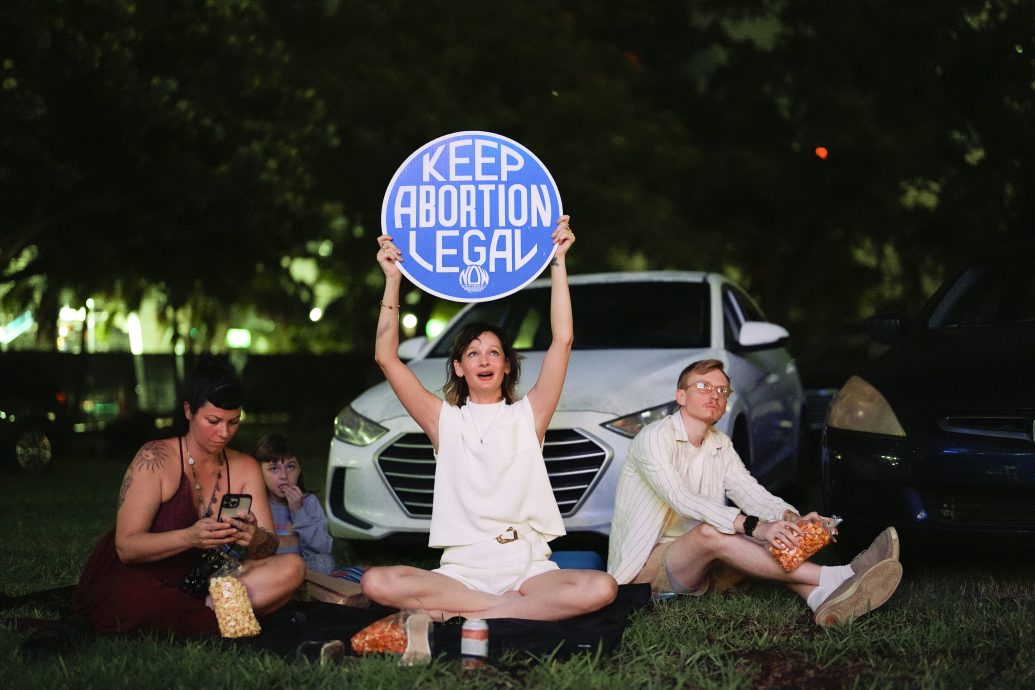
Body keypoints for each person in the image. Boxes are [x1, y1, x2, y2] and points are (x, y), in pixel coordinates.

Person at [359, 215, 618, 622]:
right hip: (462, 571)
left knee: (601, 587)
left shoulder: (528, 415)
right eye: (474, 353)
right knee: (376, 582)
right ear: (460, 367)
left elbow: (562, 341)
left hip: (528, 565)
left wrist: (558, 261)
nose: (485, 360)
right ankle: (510, 612)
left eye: (494, 352)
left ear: (507, 367)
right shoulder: (442, 421)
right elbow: (386, 357)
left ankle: (473, 614)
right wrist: (392, 278)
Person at [607, 359, 903, 626]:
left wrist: (789, 518)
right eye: (703, 386)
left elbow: (751, 493)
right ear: (680, 396)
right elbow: (681, 499)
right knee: (717, 532)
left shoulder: (719, 443)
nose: (715, 394)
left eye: (723, 391)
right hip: (647, 573)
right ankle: (840, 576)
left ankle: (821, 599)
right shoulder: (654, 437)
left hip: (700, 563)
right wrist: (756, 527)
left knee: (765, 534)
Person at [71, 356, 305, 635]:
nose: (224, 433)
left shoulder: (244, 467)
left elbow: (268, 548)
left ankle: (204, 612)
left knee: (292, 568)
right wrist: (190, 537)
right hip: (147, 575)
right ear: (188, 412)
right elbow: (127, 547)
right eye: (213, 421)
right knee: (134, 600)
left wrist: (255, 537)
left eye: (234, 422)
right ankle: (220, 616)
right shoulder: (155, 457)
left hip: (208, 579)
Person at [254, 432, 336, 574]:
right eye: (274, 469)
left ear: (299, 469)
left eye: (290, 467)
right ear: (259, 473)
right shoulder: (258, 503)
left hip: (303, 567)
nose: (284, 476)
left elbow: (324, 547)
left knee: (325, 562)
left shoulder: (309, 501)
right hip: (271, 567)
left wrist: (298, 512)